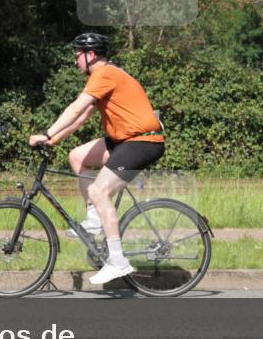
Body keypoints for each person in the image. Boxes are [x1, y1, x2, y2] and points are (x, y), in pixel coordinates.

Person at [28, 32, 165, 284]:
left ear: (91, 55)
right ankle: (94, 219)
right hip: (124, 139)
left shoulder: (105, 74)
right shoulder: (101, 76)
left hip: (142, 140)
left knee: (100, 191)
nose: (75, 60)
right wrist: (53, 139)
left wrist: (46, 132)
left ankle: (117, 261)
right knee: (77, 156)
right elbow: (82, 116)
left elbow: (76, 108)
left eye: (78, 55)